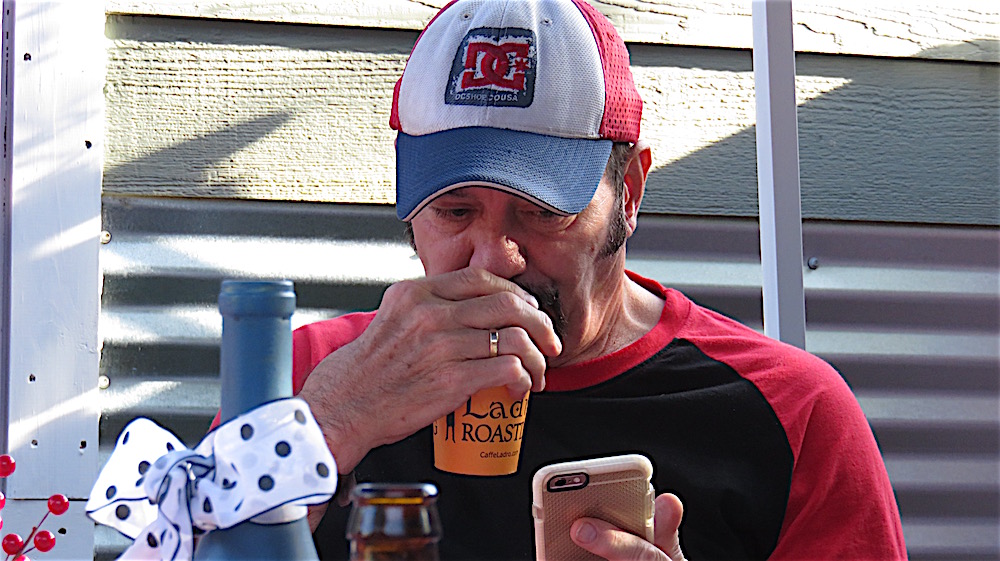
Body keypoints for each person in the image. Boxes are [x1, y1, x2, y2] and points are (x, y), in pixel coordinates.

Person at [294, 0, 907, 559]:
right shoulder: (310, 376)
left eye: (542, 211)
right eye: (455, 211)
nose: (494, 260)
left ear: (630, 193)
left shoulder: (790, 410)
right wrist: (327, 427)